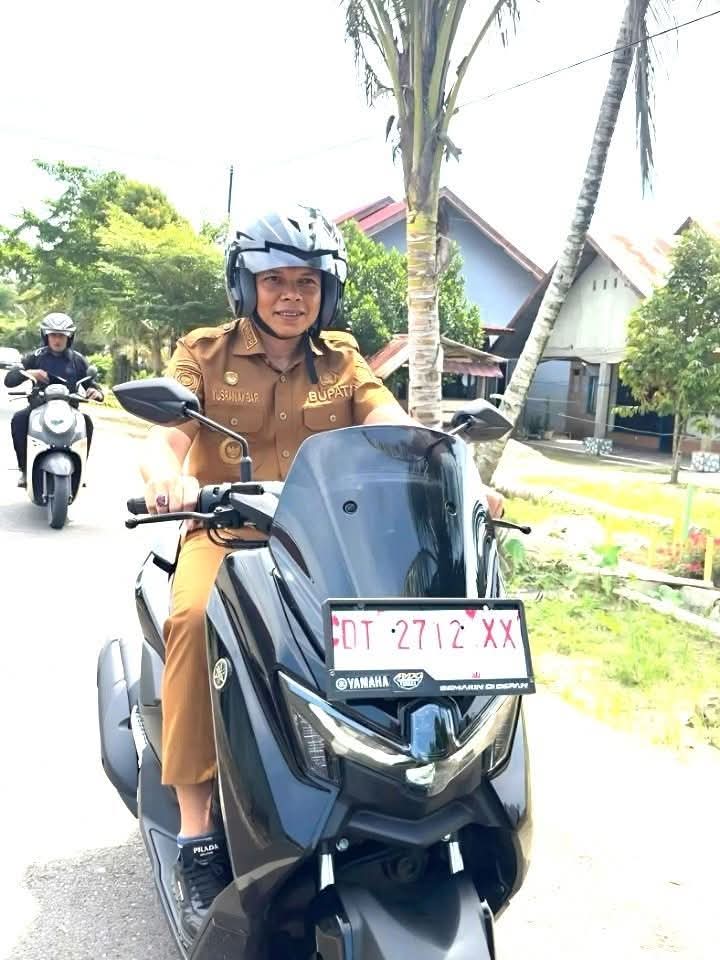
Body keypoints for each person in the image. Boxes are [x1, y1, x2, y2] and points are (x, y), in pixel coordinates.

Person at [138, 205, 504, 940]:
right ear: (246, 285)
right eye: (274, 280)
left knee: (402, 626)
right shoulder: (204, 352)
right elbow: (167, 439)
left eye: (306, 282)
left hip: (322, 540)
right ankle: (198, 835)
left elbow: (393, 427)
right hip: (229, 533)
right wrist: (166, 478)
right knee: (194, 620)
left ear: (325, 291)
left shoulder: (342, 360)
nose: (290, 296)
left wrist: (462, 476)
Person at [4, 313, 104, 486]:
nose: (57, 340)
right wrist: (30, 373)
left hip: (69, 409)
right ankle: (25, 469)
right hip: (39, 407)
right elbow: (9, 380)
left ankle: (79, 471)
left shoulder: (78, 360)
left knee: (86, 422)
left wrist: (96, 393)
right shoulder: (35, 357)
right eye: (53, 335)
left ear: (69, 337)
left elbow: (92, 385)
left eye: (61, 335)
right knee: (19, 419)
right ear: (46, 336)